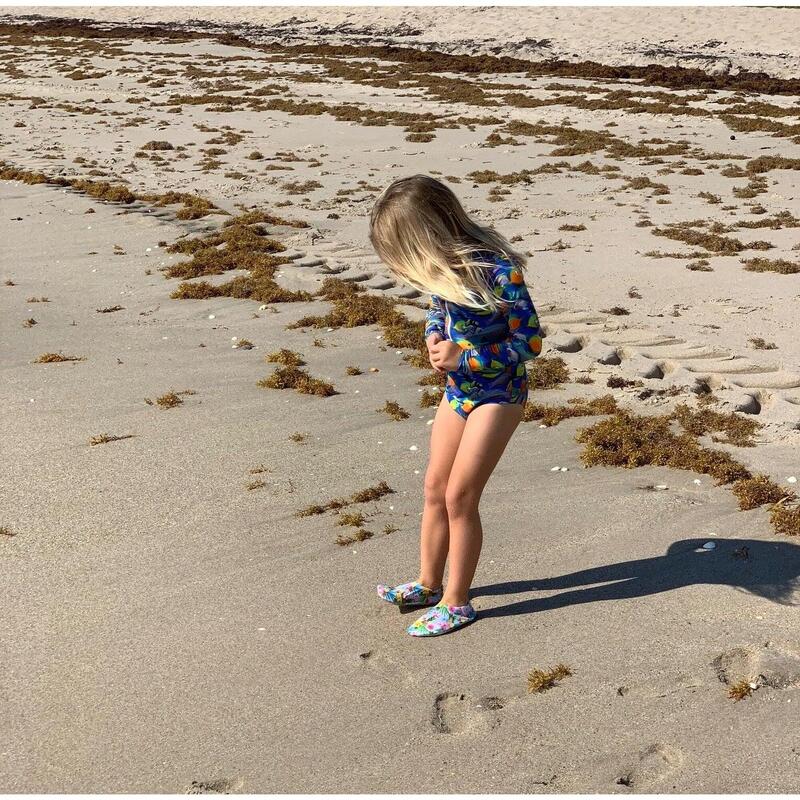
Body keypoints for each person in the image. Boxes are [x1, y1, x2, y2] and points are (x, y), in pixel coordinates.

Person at [368, 175, 542, 637]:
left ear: (431, 232)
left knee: (460, 496)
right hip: (459, 392)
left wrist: (467, 356)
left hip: (499, 395)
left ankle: (457, 600)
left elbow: (531, 343)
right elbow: (436, 311)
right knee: (433, 488)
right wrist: (432, 336)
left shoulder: (500, 271)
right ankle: (428, 583)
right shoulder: (441, 272)